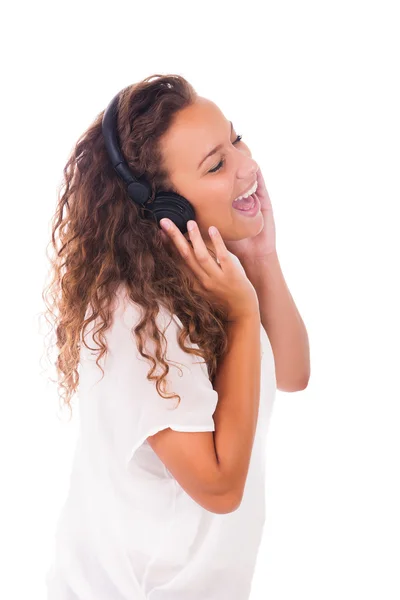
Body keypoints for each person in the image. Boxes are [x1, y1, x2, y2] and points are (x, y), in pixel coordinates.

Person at [43, 73, 277, 600]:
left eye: (236, 139)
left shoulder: (213, 270)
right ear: (164, 209)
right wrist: (242, 315)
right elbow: (219, 488)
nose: (248, 167)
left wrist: (262, 259)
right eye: (217, 164)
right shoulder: (136, 319)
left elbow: (293, 368)